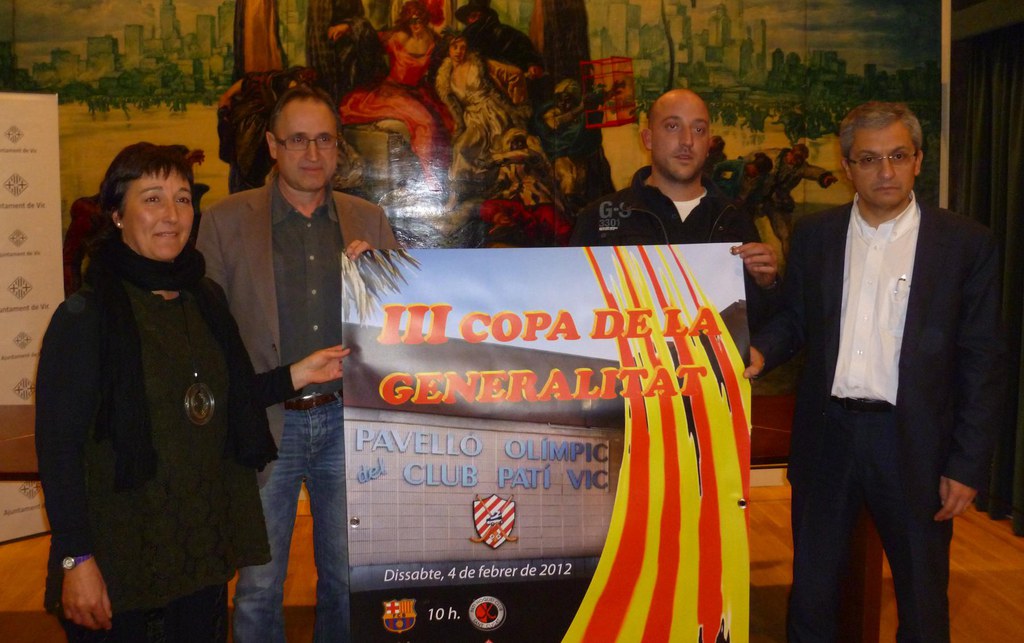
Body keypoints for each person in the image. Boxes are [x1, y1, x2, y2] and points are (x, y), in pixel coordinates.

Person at [35, 142, 347, 640]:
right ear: (117, 214)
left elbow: (229, 397)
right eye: (152, 199)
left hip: (200, 551)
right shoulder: (86, 316)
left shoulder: (204, 298)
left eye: (182, 199)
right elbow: (59, 452)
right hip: (122, 562)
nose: (172, 214)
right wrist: (76, 558)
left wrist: (299, 373)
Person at [743, 101, 1006, 642]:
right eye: (869, 159)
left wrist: (968, 463)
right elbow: (796, 319)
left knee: (922, 601)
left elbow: (983, 360)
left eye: (898, 156)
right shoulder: (816, 235)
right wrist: (761, 352)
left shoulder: (965, 245)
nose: (885, 171)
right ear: (847, 167)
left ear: (918, 160)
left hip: (914, 444)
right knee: (812, 594)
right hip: (827, 438)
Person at [198, 85, 400, 642]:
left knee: (346, 577)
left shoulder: (368, 220)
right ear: (272, 145)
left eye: (324, 140)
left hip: (350, 423)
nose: (313, 154)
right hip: (266, 423)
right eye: (297, 140)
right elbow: (203, 335)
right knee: (259, 585)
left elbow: (402, 326)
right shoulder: (224, 221)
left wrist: (382, 275)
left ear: (338, 146)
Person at [570, 89, 779, 332]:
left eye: (699, 129)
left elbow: (762, 323)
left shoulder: (735, 218)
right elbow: (572, 307)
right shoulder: (599, 216)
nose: (687, 140)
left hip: (710, 356)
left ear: (708, 144)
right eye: (672, 126)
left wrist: (767, 284)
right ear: (648, 138)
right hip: (627, 355)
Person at [339, 0, 454, 189]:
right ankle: (430, 177)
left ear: (425, 20)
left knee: (446, 122)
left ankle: (441, 174)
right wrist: (348, 28)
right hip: (393, 91)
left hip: (417, 92)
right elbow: (368, 38)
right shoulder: (396, 37)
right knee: (425, 122)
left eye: (419, 20)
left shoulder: (433, 42)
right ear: (406, 21)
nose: (416, 25)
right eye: (412, 21)